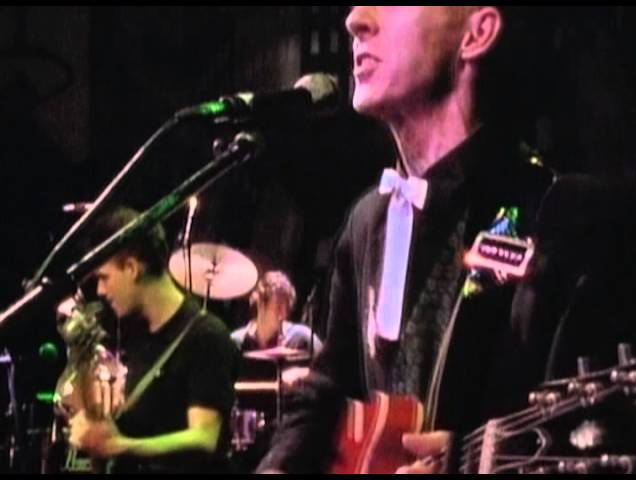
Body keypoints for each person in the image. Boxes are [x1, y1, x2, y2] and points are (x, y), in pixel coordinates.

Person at [258, 6, 560, 473]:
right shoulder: (366, 220)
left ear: (476, 34)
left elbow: (586, 428)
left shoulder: (550, 214)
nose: (354, 20)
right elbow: (328, 386)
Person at [67, 207, 239, 473]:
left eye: (104, 277)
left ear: (131, 268)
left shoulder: (207, 336)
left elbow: (204, 438)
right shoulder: (138, 333)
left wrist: (118, 445)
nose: (100, 290)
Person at [231, 270, 323, 357]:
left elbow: (324, 364)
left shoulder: (302, 338)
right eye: (278, 308)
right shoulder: (236, 342)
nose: (282, 315)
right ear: (260, 304)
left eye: (286, 309)